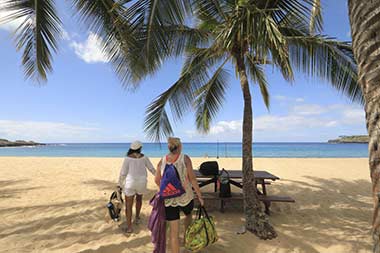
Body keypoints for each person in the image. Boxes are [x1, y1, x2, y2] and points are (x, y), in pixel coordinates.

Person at [155, 137, 204, 253]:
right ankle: (187, 241)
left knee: (173, 233)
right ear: (180, 146)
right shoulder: (185, 159)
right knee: (188, 216)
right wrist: (200, 196)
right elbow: (192, 179)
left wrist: (167, 190)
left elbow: (157, 180)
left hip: (170, 200)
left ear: (169, 147)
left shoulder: (162, 161)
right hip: (186, 197)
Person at [118, 141, 155, 233]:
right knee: (139, 199)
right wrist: (160, 178)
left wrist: (119, 184)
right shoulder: (144, 157)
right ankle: (137, 217)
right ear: (140, 148)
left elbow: (123, 173)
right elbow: (151, 169)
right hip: (142, 183)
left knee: (128, 205)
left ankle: (129, 227)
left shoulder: (127, 158)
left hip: (130, 183)